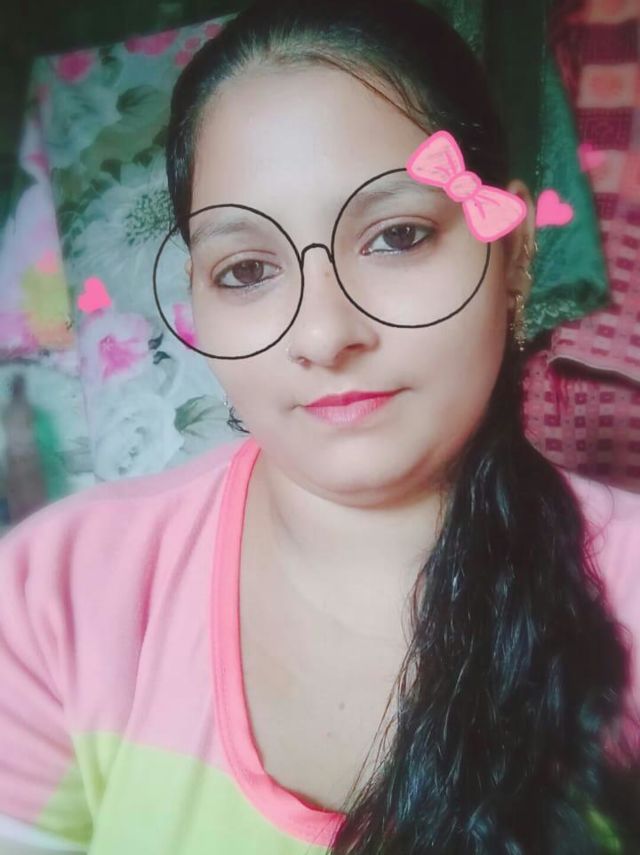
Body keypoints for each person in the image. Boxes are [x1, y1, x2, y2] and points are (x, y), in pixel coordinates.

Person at [1, 0, 639, 852]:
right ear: (198, 295)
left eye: (398, 235)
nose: (324, 333)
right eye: (247, 269)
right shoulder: (54, 596)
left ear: (513, 253)